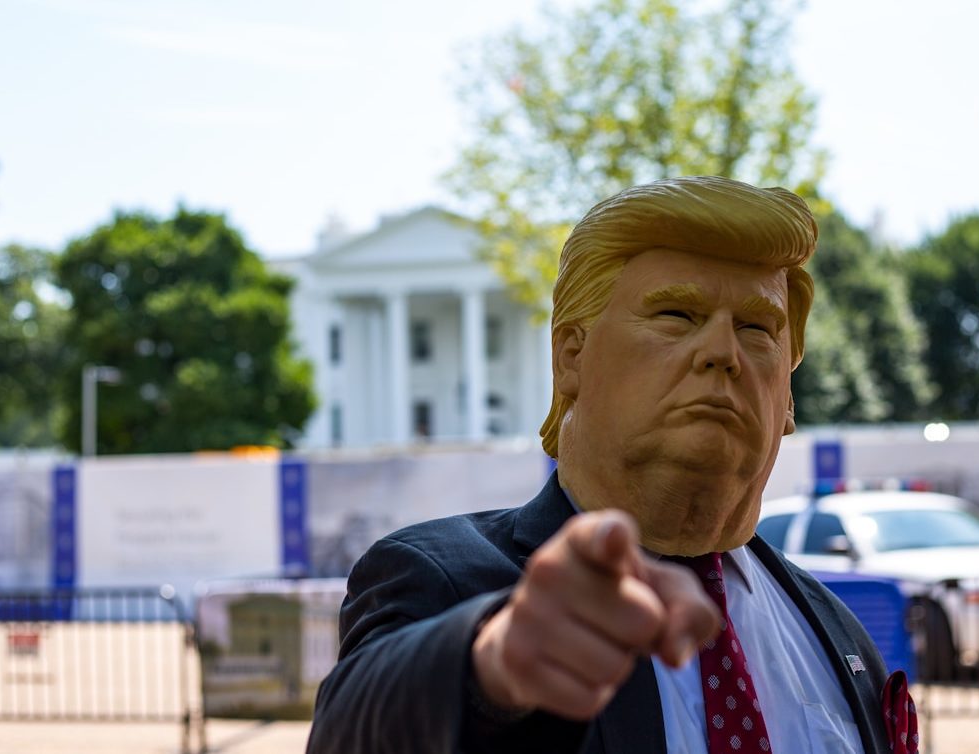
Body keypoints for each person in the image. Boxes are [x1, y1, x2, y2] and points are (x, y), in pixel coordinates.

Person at [306, 176, 913, 754]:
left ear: (787, 396)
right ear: (571, 355)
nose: (722, 353)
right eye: (677, 315)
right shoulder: (442, 580)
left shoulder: (835, 629)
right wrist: (491, 667)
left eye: (758, 328)